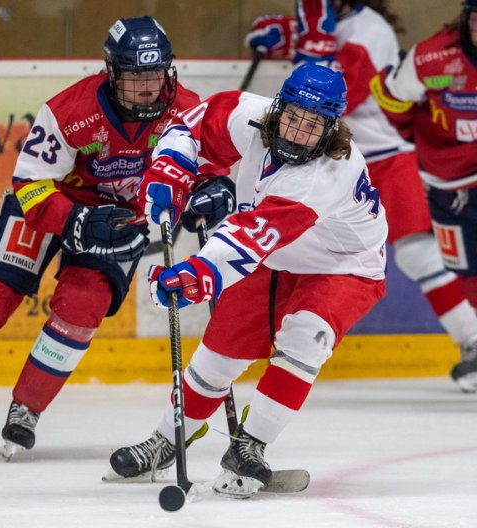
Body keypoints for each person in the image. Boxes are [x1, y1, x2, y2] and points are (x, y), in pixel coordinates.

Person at [0, 16, 236, 459]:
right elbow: (31, 184)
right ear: (112, 72)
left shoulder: (187, 110)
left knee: (82, 308)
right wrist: (75, 220)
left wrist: (214, 188)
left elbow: (208, 163)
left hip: (121, 218)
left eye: (155, 75)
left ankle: (26, 410)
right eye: (136, 76)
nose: (147, 87)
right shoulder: (69, 110)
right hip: (52, 205)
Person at [105, 63, 388, 498]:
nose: (297, 131)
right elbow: (191, 125)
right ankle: (168, 439)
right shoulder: (249, 115)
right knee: (220, 351)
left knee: (305, 337)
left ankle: (248, 448)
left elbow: (249, 237)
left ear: (331, 130)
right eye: (293, 116)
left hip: (342, 264)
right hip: (274, 255)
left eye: (313, 125)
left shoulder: (328, 174)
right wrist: (171, 168)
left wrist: (199, 271)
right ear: (279, 108)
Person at [245, 0, 477, 392]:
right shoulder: (330, 23)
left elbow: (337, 98)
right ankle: (291, 342)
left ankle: (472, 341)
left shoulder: (369, 30)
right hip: (334, 161)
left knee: (418, 252)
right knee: (295, 246)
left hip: (384, 155)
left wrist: (311, 43)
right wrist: (291, 34)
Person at [370, 0, 477, 391]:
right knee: (464, 267)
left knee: (419, 252)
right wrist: (417, 135)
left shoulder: (366, 29)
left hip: (397, 159)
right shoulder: (434, 58)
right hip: (442, 177)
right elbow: (391, 96)